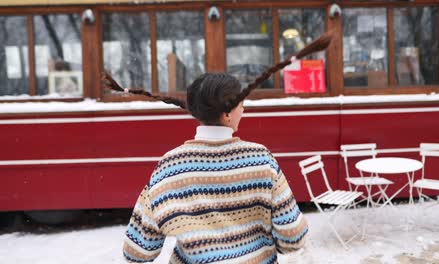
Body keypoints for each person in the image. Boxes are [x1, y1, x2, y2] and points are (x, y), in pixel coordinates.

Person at [102, 31, 333, 263]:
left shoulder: (168, 167)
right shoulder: (262, 160)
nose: (243, 110)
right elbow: (293, 238)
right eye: (242, 105)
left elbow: (137, 251)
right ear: (226, 114)